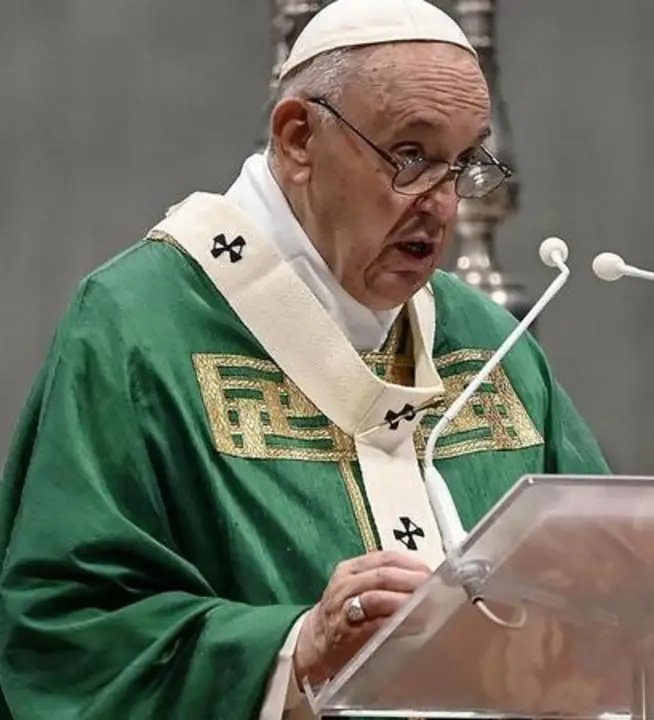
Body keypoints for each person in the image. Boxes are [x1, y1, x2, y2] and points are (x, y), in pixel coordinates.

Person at [0, 1, 609, 717]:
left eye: (466, 163)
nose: (442, 206)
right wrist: (292, 651)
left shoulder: (483, 340)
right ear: (297, 139)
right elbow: (68, 634)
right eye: (409, 157)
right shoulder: (141, 326)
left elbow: (608, 577)